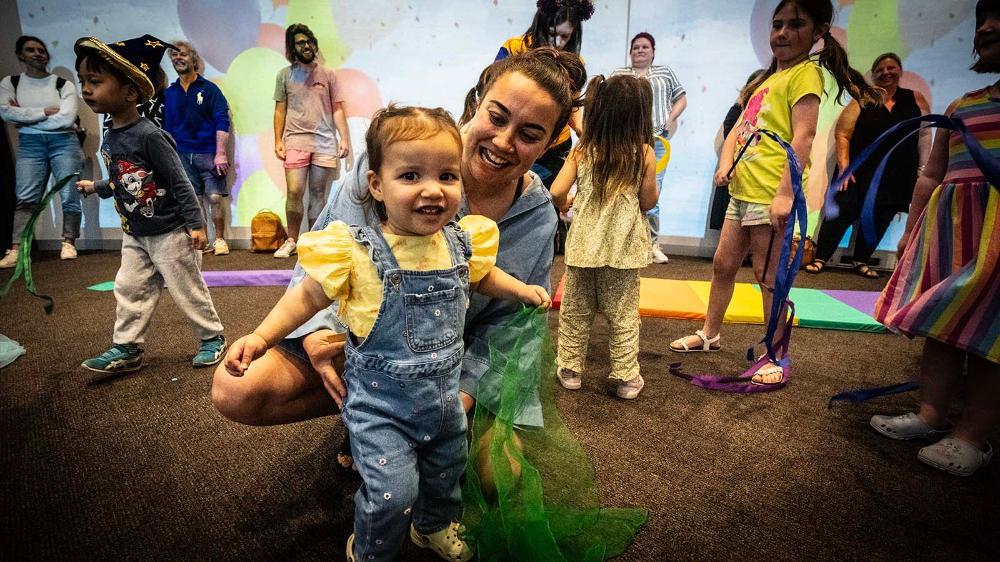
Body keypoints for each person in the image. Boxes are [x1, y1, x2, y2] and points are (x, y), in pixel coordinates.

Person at [224, 106, 550, 562]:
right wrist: (261, 337)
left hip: (443, 400)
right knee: (392, 493)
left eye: (447, 176)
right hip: (381, 406)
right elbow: (306, 297)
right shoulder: (356, 250)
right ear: (376, 184)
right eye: (411, 175)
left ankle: (432, 527)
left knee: (444, 475)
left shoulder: (459, 241)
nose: (433, 190)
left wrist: (521, 290)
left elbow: (483, 277)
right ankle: (372, 549)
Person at [211, 49, 577, 448]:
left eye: (529, 134)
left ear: (546, 146)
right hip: (376, 347)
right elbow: (325, 265)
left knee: (493, 479)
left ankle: (405, 420)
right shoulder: (389, 159)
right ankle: (371, 411)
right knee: (237, 389)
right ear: (477, 102)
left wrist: (464, 395)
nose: (504, 141)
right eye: (497, 116)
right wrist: (321, 331)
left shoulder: (538, 215)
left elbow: (514, 323)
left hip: (458, 361)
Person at [668, 0, 882, 385]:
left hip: (771, 194)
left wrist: (786, 193)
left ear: (818, 32)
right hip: (743, 191)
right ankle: (710, 334)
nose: (782, 33)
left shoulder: (806, 75)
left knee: (770, 276)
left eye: (795, 24)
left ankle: (775, 354)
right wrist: (725, 164)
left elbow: (804, 136)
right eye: (777, 24)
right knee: (723, 265)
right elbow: (739, 129)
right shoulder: (766, 80)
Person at [869, 0, 1000, 477]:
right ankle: (931, 414)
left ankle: (973, 434)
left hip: (997, 243)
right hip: (954, 235)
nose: (985, 25)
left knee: (990, 334)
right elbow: (931, 175)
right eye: (982, 16)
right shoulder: (962, 106)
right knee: (943, 323)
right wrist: (912, 231)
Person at [73, 34, 226, 374]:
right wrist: (97, 185)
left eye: (95, 81)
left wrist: (196, 224)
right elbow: (126, 179)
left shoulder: (150, 135)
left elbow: (179, 181)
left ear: (130, 92)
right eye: (83, 81)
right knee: (129, 287)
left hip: (170, 230)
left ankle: (212, 337)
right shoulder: (111, 135)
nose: (86, 89)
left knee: (186, 288)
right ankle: (127, 347)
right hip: (135, 232)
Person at [550, 74, 658, 399]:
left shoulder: (584, 150)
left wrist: (567, 203)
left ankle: (570, 370)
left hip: (583, 249)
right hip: (622, 253)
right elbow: (648, 202)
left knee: (576, 311)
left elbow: (556, 191)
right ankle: (626, 379)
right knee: (623, 315)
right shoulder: (643, 153)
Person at [807, 52, 930, 278]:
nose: (885, 72)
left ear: (900, 71)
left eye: (890, 67)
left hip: (896, 173)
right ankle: (820, 257)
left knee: (879, 216)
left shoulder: (916, 98)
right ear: (873, 75)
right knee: (842, 211)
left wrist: (922, 170)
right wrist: (844, 167)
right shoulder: (864, 98)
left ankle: (861, 261)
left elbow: (923, 136)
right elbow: (843, 134)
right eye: (880, 69)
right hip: (856, 170)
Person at [0, 35, 84, 267]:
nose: (37, 54)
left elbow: (67, 119)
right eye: (30, 50)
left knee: (69, 195)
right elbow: (5, 113)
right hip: (30, 145)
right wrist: (45, 111)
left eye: (41, 50)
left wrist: (25, 117)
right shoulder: (12, 83)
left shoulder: (62, 84)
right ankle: (17, 248)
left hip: (63, 142)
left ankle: (69, 242)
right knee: (26, 198)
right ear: (20, 55)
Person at [494, 0, 592, 193]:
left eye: (565, 36)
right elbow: (492, 87)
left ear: (574, 34)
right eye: (552, 33)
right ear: (541, 24)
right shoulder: (515, 47)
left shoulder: (575, 63)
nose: (557, 42)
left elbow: (572, 105)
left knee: (541, 202)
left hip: (555, 149)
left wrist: (584, 131)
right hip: (514, 139)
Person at [272, 23, 352, 259]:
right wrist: (278, 140)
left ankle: (314, 243)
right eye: (300, 42)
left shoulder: (328, 75)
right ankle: (292, 240)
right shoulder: (284, 75)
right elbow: (279, 110)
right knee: (295, 191)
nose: (306, 46)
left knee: (318, 194)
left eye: (309, 41)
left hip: (325, 143)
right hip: (295, 141)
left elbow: (337, 109)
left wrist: (344, 139)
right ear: (292, 47)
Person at [612, 32, 687, 264]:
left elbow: (681, 98)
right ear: (630, 52)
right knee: (622, 191)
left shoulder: (665, 73)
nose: (640, 51)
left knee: (652, 192)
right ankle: (621, 244)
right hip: (625, 142)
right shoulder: (619, 74)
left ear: (653, 51)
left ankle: (652, 244)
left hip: (657, 141)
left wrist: (670, 118)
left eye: (645, 47)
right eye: (635, 47)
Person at [165, 40, 233, 256]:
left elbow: (223, 120)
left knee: (214, 197)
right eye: (174, 56)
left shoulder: (210, 89)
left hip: (209, 152)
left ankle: (220, 240)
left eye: (182, 54)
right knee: (193, 199)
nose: (178, 58)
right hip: (182, 154)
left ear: (194, 59)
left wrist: (221, 153)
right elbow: (167, 128)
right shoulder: (170, 93)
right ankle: (201, 241)